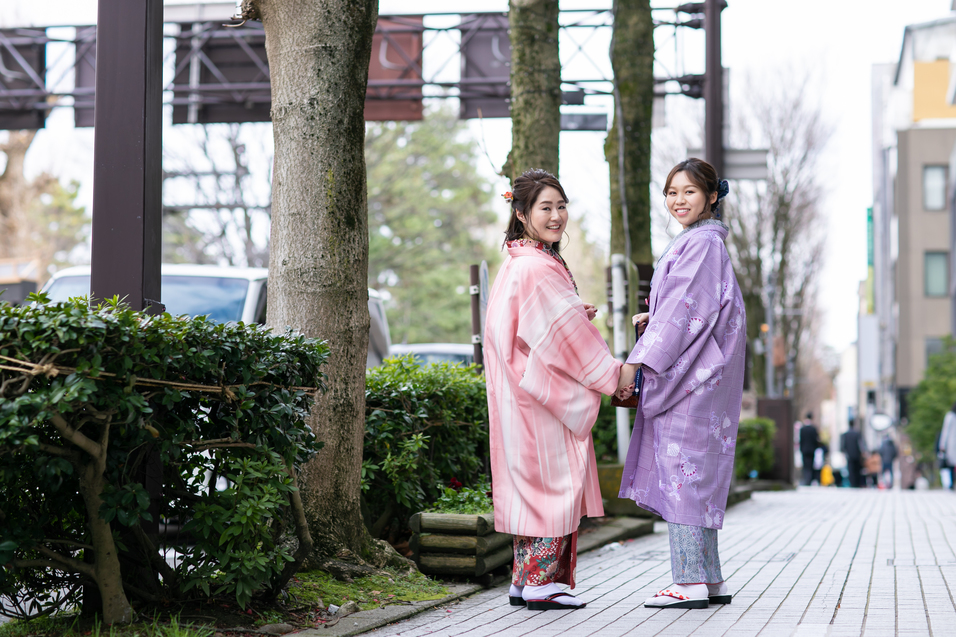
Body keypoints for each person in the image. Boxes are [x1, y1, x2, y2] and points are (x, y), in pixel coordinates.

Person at [483, 169, 634, 611]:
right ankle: (540, 583)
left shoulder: (519, 262)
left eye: (561, 206)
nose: (556, 216)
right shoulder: (536, 267)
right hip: (540, 397)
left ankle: (523, 578)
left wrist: (571, 313)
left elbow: (538, 325)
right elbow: (565, 337)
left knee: (532, 486)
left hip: (521, 393)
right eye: (545, 207)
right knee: (553, 485)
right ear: (521, 212)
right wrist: (615, 376)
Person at [617, 158, 746, 609]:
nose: (678, 200)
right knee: (696, 475)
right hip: (702, 377)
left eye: (689, 192)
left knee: (684, 475)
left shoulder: (702, 244)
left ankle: (688, 581)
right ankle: (709, 579)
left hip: (691, 381)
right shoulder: (701, 243)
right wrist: (656, 318)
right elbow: (690, 310)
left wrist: (637, 362)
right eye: (672, 192)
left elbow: (682, 317)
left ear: (712, 196)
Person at [840, 420, 866, 488]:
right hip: (857, 455)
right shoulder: (857, 433)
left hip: (849, 455)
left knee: (850, 470)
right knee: (857, 470)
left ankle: (852, 484)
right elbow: (861, 444)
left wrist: (843, 453)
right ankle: (857, 484)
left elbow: (843, 445)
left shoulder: (845, 434)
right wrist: (863, 452)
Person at [799, 412, 821, 486]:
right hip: (812, 450)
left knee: (805, 465)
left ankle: (806, 480)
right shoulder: (813, 429)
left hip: (804, 450)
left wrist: (801, 449)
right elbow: (816, 440)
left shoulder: (802, 429)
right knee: (811, 465)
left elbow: (801, 440)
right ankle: (809, 480)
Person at [938, 401, 956, 489]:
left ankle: (951, 483)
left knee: (951, 465)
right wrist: (943, 445)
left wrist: (942, 445)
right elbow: (945, 431)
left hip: (951, 444)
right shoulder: (950, 416)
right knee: (951, 464)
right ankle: (951, 483)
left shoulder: (950, 416)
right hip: (951, 444)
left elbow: (945, 432)